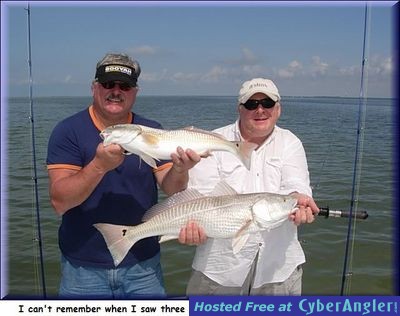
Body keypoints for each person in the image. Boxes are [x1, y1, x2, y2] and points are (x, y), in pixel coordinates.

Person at [46, 53, 200, 298]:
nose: (116, 91)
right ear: (94, 87)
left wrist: (180, 169)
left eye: (125, 86)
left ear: (135, 92)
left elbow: (172, 188)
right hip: (83, 267)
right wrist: (98, 165)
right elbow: (59, 202)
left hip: (143, 264)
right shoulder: (68, 131)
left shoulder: (153, 131)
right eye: (108, 84)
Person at [179, 78, 320, 295]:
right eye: (252, 104)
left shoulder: (291, 143)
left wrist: (299, 203)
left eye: (268, 103)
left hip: (278, 268)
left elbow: (296, 187)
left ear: (278, 109)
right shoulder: (213, 141)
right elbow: (200, 198)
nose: (260, 110)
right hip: (219, 269)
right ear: (240, 109)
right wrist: (192, 229)